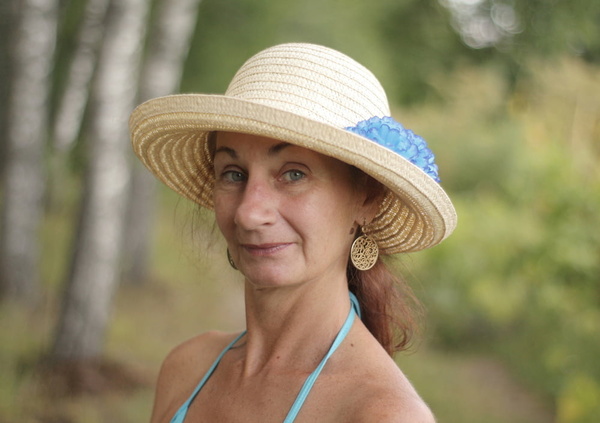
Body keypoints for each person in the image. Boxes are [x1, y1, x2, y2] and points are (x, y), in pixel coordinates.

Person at [129, 43, 456, 423]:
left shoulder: (382, 414)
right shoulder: (186, 369)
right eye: (233, 174)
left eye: (294, 174)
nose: (249, 214)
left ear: (367, 198)